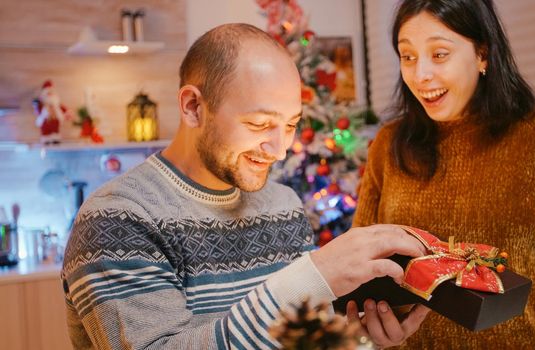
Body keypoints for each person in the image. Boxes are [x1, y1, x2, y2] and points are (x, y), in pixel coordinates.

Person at [60, 23, 429, 350]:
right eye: (258, 124)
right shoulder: (118, 218)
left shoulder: (281, 203)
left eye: (290, 125)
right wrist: (314, 276)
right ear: (192, 107)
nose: (280, 149)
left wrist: (359, 340)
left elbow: (293, 338)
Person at [352, 0, 535, 349]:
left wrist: (522, 302)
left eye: (439, 54)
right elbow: (365, 255)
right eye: (408, 56)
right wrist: (381, 322)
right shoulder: (389, 145)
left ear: (482, 54)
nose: (420, 75)